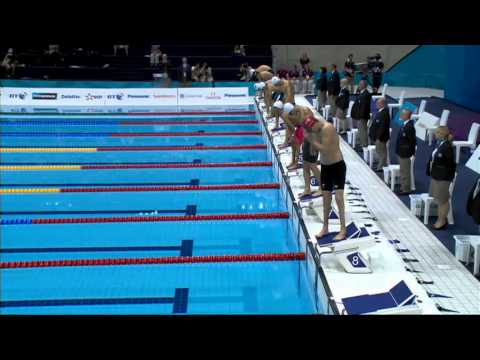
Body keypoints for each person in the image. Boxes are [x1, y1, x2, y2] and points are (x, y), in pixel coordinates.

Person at [303, 114, 347, 241]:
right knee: (326, 199)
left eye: (312, 130)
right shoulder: (315, 129)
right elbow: (315, 149)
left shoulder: (328, 128)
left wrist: (311, 140)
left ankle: (343, 229)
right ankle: (325, 227)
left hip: (337, 166)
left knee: (339, 198)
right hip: (326, 167)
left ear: (316, 123)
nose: (312, 133)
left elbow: (325, 150)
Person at [426, 126, 456, 230]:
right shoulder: (440, 144)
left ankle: (442, 220)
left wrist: (446, 178)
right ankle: (441, 218)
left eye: (437, 132)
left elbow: (451, 165)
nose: (435, 133)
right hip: (436, 175)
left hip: (443, 178)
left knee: (442, 200)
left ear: (442, 134)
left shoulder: (447, 147)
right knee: (438, 199)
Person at [282, 103, 314, 172]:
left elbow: (301, 123)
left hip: (308, 125)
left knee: (298, 143)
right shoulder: (291, 114)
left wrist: (294, 136)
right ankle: (293, 161)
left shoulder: (300, 109)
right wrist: (290, 138)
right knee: (294, 142)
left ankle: (298, 162)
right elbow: (290, 128)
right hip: (303, 125)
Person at [395, 109, 416, 195]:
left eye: (402, 114)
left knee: (405, 171)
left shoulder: (409, 127)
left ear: (406, 116)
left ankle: (406, 189)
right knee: (403, 170)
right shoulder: (405, 125)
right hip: (401, 152)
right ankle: (403, 187)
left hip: (405, 153)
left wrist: (409, 152)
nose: (400, 116)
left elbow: (412, 141)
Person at [369, 97, 391, 171]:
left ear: (382, 104)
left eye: (378, 103)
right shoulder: (381, 111)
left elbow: (382, 127)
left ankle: (381, 167)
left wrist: (378, 137)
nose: (376, 105)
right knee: (380, 151)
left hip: (381, 137)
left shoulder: (384, 113)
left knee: (382, 152)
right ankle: (381, 165)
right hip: (378, 136)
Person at [351, 80, 372, 149]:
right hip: (360, 115)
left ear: (364, 85)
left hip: (362, 116)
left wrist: (361, 116)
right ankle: (362, 143)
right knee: (360, 130)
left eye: (360, 84)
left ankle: (364, 144)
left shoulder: (366, 94)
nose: (359, 86)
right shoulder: (362, 93)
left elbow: (364, 107)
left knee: (363, 130)